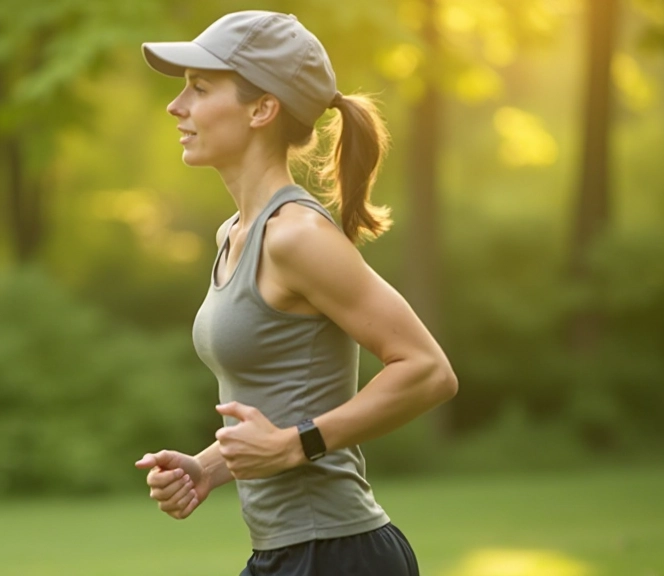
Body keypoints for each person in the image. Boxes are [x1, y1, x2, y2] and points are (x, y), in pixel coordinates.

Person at [134, 11, 457, 576]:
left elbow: (428, 370)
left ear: (262, 109)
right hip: (290, 552)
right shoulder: (236, 234)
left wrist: (294, 446)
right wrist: (209, 467)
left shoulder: (297, 236)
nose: (176, 105)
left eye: (200, 88)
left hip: (338, 554)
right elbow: (285, 400)